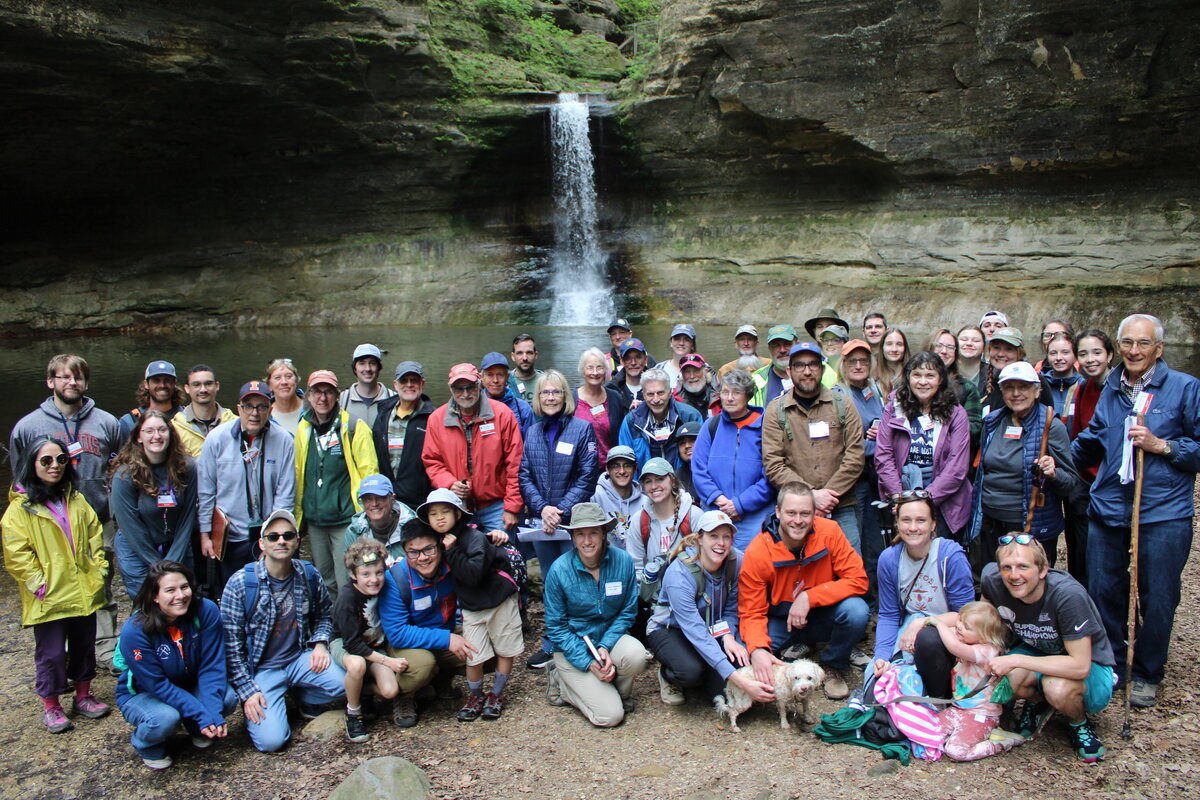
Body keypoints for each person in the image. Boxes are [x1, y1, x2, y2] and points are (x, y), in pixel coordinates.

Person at [1071, 313, 1200, 709]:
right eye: (1127, 342)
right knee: (1104, 589)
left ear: (1159, 348)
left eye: (1143, 343)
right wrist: (1057, 457)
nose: (1133, 350)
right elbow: (1094, 437)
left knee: (1158, 595)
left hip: (1162, 510)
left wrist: (1162, 445)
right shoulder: (1111, 387)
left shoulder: (1184, 388)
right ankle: (1113, 661)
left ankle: (1146, 670)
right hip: (1110, 505)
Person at [9, 354, 122, 671]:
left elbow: (120, 465)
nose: (72, 382)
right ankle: (71, 649)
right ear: (51, 381)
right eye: (64, 377)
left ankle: (105, 646)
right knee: (61, 583)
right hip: (52, 522)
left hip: (99, 516)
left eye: (78, 377)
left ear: (86, 382)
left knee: (101, 581)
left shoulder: (106, 422)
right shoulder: (28, 427)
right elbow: (20, 479)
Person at [3, 437, 111, 733]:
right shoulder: (21, 509)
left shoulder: (75, 498)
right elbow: (17, 554)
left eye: (61, 460)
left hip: (82, 587)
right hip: (49, 593)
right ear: (31, 464)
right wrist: (39, 584)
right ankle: (52, 706)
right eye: (46, 460)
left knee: (84, 645)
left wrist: (99, 569)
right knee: (50, 653)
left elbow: (94, 535)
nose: (55, 466)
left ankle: (84, 695)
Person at [220, 509, 346, 753]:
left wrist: (320, 643)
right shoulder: (241, 584)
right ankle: (274, 702)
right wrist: (247, 692)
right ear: (262, 543)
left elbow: (323, 615)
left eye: (288, 535)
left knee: (346, 680)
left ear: (297, 541)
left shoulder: (308, 574)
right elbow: (231, 649)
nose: (281, 541)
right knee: (272, 742)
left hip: (298, 659)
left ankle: (304, 696)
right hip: (262, 670)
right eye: (273, 536)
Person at [982, 536, 1114, 763]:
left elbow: (1080, 666)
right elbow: (982, 623)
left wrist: (1017, 661)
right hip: (1036, 652)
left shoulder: (1068, 596)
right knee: (1004, 677)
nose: (1014, 576)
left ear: (1043, 570)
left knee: (1057, 686)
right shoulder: (992, 581)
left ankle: (1079, 723)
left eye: (1024, 567)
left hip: (1088, 667)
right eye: (1007, 568)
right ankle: (1036, 703)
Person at [739, 483, 869, 700]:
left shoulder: (830, 531)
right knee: (748, 651)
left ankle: (832, 664)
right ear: (778, 512)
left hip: (823, 614)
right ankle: (787, 661)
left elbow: (859, 580)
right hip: (782, 621)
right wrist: (758, 648)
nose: (798, 520)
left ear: (814, 514)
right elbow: (751, 612)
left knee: (857, 611)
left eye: (805, 514)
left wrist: (810, 596)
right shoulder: (758, 551)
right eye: (791, 513)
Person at [115, 561, 234, 769]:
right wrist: (200, 713)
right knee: (165, 718)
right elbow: (157, 685)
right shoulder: (135, 630)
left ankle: (197, 727)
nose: (180, 596)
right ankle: (147, 743)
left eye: (184, 587)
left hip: (189, 683)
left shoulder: (206, 610)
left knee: (226, 699)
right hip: (144, 693)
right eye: (170, 590)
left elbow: (212, 666)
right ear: (154, 596)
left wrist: (213, 713)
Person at [519, 369, 600, 668]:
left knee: (577, 582)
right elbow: (524, 475)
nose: (550, 397)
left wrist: (560, 510)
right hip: (542, 523)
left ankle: (583, 642)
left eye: (556, 392)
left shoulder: (582, 429)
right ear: (538, 399)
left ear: (566, 396)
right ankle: (552, 644)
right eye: (544, 393)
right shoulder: (532, 432)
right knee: (552, 582)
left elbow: (587, 476)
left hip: (573, 523)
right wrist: (542, 509)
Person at [648, 510, 770, 708]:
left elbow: (731, 609)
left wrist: (728, 636)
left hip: (713, 626)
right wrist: (741, 681)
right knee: (690, 672)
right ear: (700, 539)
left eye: (726, 537)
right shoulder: (679, 574)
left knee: (726, 683)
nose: (720, 544)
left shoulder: (736, 561)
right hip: (672, 629)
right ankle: (668, 674)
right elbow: (694, 630)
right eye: (713, 536)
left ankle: (707, 668)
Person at [543, 503, 649, 727]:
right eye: (580, 534)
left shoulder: (623, 562)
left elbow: (628, 612)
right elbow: (556, 627)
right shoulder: (559, 570)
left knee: (636, 654)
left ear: (603, 534)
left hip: (610, 639)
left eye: (593, 533)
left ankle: (613, 692)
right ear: (572, 536)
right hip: (574, 646)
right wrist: (588, 661)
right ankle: (563, 685)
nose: (587, 541)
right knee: (610, 717)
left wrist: (605, 646)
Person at [968, 362, 1079, 570]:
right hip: (990, 522)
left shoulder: (1050, 426)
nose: (1016, 393)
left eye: (1024, 387)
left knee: (1029, 585)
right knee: (993, 580)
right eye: (1009, 387)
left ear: (1037, 391)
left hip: (1030, 526)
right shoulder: (992, 422)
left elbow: (1070, 483)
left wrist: (1053, 473)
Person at [762, 342, 865, 550]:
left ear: (822, 368)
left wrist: (827, 495)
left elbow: (855, 456)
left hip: (841, 506)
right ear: (790, 371)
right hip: (795, 511)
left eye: (813, 365)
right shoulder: (775, 410)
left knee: (850, 571)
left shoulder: (843, 404)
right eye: (800, 366)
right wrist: (810, 496)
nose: (807, 372)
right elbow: (773, 464)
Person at [197, 381, 296, 595]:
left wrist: (275, 538)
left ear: (270, 409)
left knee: (272, 593)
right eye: (248, 406)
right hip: (229, 537)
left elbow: (285, 495)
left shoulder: (284, 441)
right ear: (238, 409)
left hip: (268, 534)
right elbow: (206, 492)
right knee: (231, 594)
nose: (254, 413)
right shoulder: (216, 440)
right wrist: (205, 535)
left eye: (261, 407)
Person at [871, 492, 974, 698]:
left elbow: (966, 615)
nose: (913, 527)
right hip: (909, 626)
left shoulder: (950, 557)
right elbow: (889, 614)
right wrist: (881, 656)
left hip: (947, 631)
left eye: (921, 520)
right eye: (906, 520)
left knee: (927, 638)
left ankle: (938, 698)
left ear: (933, 524)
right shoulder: (889, 559)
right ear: (897, 523)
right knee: (877, 680)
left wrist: (924, 622)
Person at [378, 516, 476, 728]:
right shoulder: (395, 580)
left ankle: (440, 680)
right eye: (414, 552)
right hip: (407, 644)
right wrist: (447, 639)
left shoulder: (450, 567)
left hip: (444, 630)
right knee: (423, 664)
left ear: (440, 547)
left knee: (484, 650)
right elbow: (397, 633)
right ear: (405, 552)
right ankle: (405, 695)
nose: (423, 558)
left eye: (429, 549)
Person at [433, 489, 523, 722]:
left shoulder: (473, 538)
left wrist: (451, 552)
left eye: (445, 512)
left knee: (505, 648)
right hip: (472, 606)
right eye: (434, 514)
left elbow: (473, 574)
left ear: (458, 514)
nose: (440, 518)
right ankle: (475, 695)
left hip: (498, 600)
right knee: (474, 655)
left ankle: (496, 694)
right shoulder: (436, 541)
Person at [295, 369, 380, 595]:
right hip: (315, 520)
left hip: (345, 519)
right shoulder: (303, 428)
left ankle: (352, 625)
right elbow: (298, 473)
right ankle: (331, 625)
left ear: (337, 395)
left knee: (347, 576)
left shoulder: (353, 426)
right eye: (317, 392)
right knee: (324, 578)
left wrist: (367, 512)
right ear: (309, 396)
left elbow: (369, 473)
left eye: (328, 392)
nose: (322, 398)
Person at [874, 351, 972, 539]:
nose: (923, 381)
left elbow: (957, 466)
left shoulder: (956, 413)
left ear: (941, 379)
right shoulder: (893, 408)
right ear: (908, 377)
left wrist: (926, 499)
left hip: (943, 494)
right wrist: (900, 497)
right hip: (903, 489)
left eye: (930, 375)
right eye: (917, 375)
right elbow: (883, 455)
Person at [422, 363, 524, 534]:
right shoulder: (436, 419)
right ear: (450, 389)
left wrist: (512, 507)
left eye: (470, 387)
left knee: (501, 557)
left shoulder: (502, 414)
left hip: (497, 506)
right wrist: (448, 483)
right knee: (462, 558)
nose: (465, 394)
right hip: (456, 506)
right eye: (458, 389)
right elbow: (432, 462)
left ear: (479, 384)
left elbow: (516, 464)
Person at [110, 410, 199, 597]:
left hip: (177, 545)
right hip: (137, 549)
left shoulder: (187, 468)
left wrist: (173, 560)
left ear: (170, 434)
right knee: (150, 605)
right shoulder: (125, 475)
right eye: (149, 431)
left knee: (181, 600)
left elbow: (187, 516)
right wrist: (158, 566)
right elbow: (130, 526)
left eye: (162, 430)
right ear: (139, 436)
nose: (156, 436)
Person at [331, 538, 407, 743]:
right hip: (346, 644)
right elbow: (352, 644)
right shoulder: (347, 599)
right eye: (365, 574)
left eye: (379, 573)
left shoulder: (384, 587)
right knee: (356, 665)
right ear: (352, 575)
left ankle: (361, 690)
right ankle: (353, 712)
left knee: (390, 691)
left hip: (373, 644)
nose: (373, 580)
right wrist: (388, 661)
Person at [927, 602, 1022, 762]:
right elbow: (953, 637)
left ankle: (999, 743)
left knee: (956, 751)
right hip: (958, 709)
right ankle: (969, 734)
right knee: (927, 735)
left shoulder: (987, 651)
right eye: (961, 621)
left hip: (981, 714)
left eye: (967, 627)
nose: (959, 627)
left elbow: (955, 647)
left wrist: (937, 622)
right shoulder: (968, 640)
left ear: (985, 636)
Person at [691, 369, 773, 551]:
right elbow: (698, 470)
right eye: (725, 392)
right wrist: (720, 500)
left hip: (755, 516)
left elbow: (771, 474)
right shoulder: (711, 426)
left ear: (748, 396)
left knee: (753, 567)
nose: (729, 398)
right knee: (716, 566)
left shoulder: (766, 425)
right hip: (716, 513)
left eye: (736, 393)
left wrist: (740, 504)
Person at [1058, 329, 1115, 588]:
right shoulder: (1082, 388)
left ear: (1109, 355)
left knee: (1106, 551)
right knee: (1078, 548)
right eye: (1084, 353)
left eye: (1097, 352)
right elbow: (1080, 432)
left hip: (1110, 479)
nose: (1090, 359)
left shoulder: (1118, 389)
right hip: (1083, 477)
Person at [834, 341, 885, 583]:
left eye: (863, 360)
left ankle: (875, 598)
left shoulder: (875, 390)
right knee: (856, 542)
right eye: (852, 361)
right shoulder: (838, 394)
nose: (858, 366)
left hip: (878, 478)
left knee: (876, 540)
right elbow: (843, 443)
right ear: (842, 364)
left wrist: (881, 435)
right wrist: (878, 444)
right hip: (854, 482)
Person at [370, 360, 435, 508]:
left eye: (414, 380)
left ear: (422, 384)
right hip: (385, 500)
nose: (409, 384)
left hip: (419, 502)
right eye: (404, 380)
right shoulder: (383, 414)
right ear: (395, 385)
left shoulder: (433, 417)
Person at [629, 458, 703, 582]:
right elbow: (636, 566)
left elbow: (705, 562)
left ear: (672, 481)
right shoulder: (639, 520)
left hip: (691, 593)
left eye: (660, 479)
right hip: (652, 596)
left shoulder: (694, 516)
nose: (653, 486)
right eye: (648, 481)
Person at [618, 367, 702, 469]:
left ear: (670, 392)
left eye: (661, 393)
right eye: (650, 394)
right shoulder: (631, 422)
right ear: (643, 395)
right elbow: (626, 462)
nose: (656, 399)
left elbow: (703, 454)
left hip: (683, 481)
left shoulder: (690, 416)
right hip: (646, 483)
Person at [925, 328, 983, 446]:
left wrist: (942, 428)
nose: (944, 351)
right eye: (939, 345)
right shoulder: (908, 383)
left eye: (950, 347)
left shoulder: (967, 388)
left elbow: (975, 427)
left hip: (951, 453)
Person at [342, 474, 416, 565]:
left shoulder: (413, 527)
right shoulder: (354, 532)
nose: (374, 503)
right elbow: (351, 573)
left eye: (380, 497)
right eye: (367, 499)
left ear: (392, 499)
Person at [575, 347, 626, 466]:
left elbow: (621, 433)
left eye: (599, 367)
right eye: (590, 367)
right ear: (583, 371)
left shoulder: (615, 398)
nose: (595, 372)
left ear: (605, 371)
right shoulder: (572, 399)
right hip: (578, 469)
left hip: (610, 468)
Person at [173, 365, 236, 457]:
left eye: (208, 384)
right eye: (196, 385)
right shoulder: (175, 427)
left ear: (217, 386)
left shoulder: (235, 423)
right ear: (187, 388)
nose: (203, 389)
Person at [590, 445, 643, 551]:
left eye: (627, 465)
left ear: (635, 468)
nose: (622, 471)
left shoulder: (645, 501)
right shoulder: (595, 496)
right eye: (615, 466)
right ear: (607, 469)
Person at [118, 360, 186, 442]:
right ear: (146, 384)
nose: (162, 385)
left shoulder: (187, 417)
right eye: (156, 380)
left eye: (167, 380)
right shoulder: (129, 422)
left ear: (174, 384)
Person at [339, 344, 395, 428]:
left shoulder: (393, 399)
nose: (368, 368)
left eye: (372, 363)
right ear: (355, 368)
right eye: (362, 363)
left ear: (379, 367)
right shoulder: (342, 400)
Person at [480, 351, 535, 434]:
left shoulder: (523, 409)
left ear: (507, 377)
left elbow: (532, 442)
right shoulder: (475, 408)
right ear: (482, 377)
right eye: (490, 375)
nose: (495, 380)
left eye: (500, 375)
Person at [750, 324, 798, 407]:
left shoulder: (819, 371)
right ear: (769, 348)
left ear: (797, 344)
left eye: (787, 344)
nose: (782, 350)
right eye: (776, 345)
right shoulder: (756, 381)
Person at [803, 307, 849, 387]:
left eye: (830, 326)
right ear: (814, 331)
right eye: (820, 327)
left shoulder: (852, 360)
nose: (824, 330)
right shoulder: (806, 360)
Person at [1040, 331, 1083, 417]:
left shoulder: (1083, 386)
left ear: (1075, 355)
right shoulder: (1039, 385)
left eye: (1065, 352)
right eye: (1053, 353)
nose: (1059, 358)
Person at [606, 338, 649, 416]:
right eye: (628, 358)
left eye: (638, 357)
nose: (633, 363)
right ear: (621, 361)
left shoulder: (657, 385)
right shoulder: (611, 389)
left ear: (645, 359)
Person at [265, 358, 303, 435]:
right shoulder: (263, 415)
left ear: (296, 380)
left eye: (288, 376)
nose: (284, 382)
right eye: (277, 378)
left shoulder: (313, 407)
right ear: (269, 385)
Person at [662, 323, 704, 390]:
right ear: (671, 343)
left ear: (692, 345)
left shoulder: (704, 368)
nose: (681, 343)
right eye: (677, 339)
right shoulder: (660, 368)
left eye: (686, 339)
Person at [874, 328, 909, 398]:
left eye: (899, 344)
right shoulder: (873, 377)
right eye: (889, 344)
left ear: (905, 348)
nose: (894, 349)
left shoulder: (912, 375)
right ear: (882, 348)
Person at [508, 334, 542, 402]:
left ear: (535, 355)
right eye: (519, 353)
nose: (524, 358)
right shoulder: (504, 381)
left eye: (529, 353)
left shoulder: (546, 381)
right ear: (513, 356)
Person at [674, 419, 701, 499]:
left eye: (692, 440)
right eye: (682, 443)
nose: (687, 446)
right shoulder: (676, 476)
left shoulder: (716, 471)